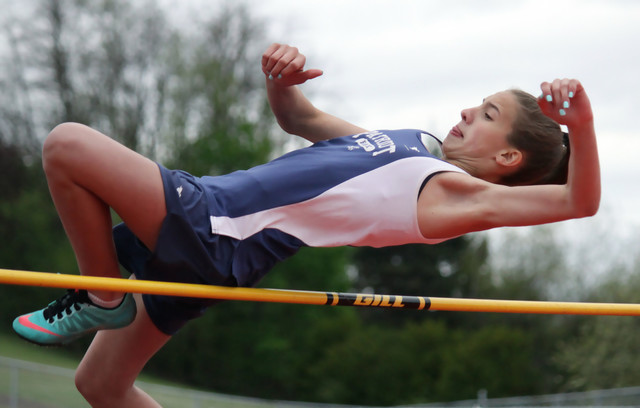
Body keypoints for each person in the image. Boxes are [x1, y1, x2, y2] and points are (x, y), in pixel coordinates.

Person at [12, 43, 599, 407]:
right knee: (102, 388)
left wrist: (585, 122)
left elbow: (579, 202)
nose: (469, 111)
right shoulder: (414, 146)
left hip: (214, 223)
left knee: (67, 145)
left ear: (506, 160)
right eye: (479, 102)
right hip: (221, 250)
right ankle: (104, 291)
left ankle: (102, 291)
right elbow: (301, 117)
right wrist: (281, 79)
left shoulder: (454, 197)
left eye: (489, 114)